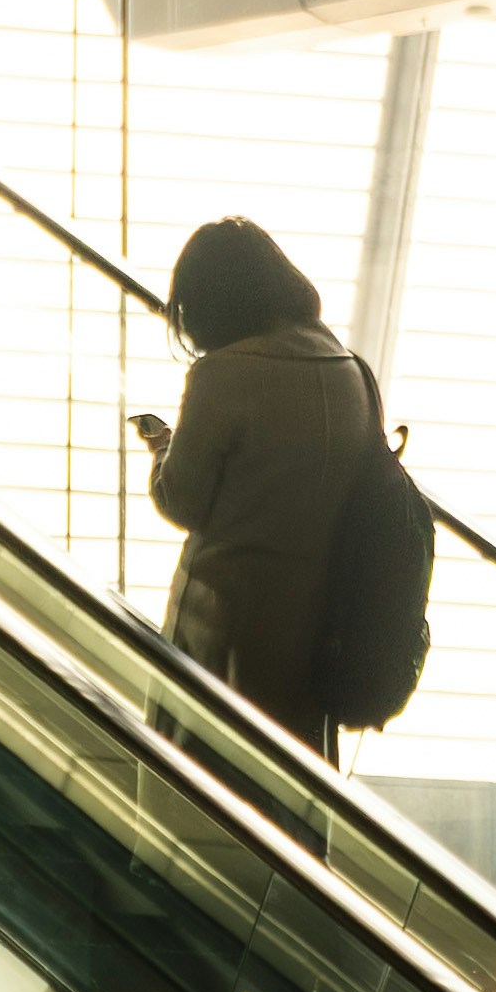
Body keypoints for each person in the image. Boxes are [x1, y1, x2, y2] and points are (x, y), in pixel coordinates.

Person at [136, 217, 374, 755]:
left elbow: (183, 499)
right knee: (289, 799)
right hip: (316, 632)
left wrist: (160, 448)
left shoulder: (223, 374)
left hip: (224, 634)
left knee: (199, 797)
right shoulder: (349, 369)